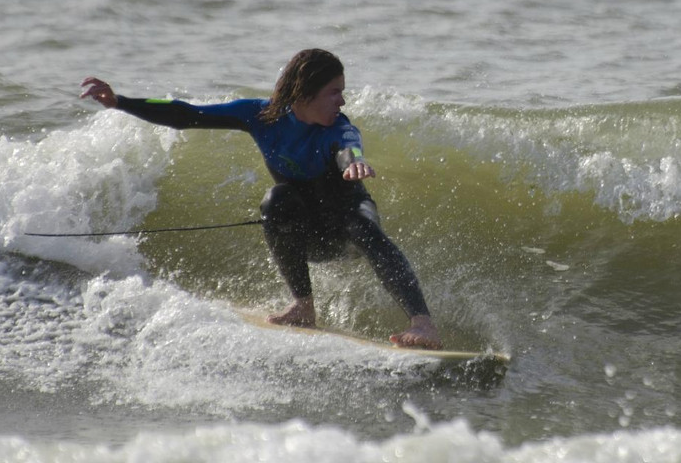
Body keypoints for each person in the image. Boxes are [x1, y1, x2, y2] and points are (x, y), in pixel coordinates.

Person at [80, 48, 442, 349]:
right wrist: (120, 102)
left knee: (362, 223)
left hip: (345, 228)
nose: (342, 100)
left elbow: (349, 147)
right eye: (334, 92)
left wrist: (355, 163)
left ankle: (422, 323)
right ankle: (303, 306)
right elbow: (186, 114)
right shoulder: (259, 116)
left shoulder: (339, 128)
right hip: (307, 235)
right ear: (304, 94)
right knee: (276, 201)